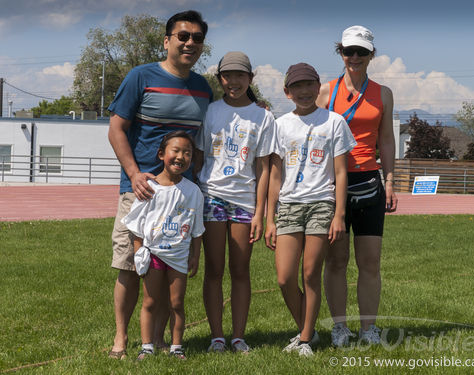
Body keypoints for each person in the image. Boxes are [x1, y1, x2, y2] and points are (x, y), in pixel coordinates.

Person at [107, 10, 212, 359]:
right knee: (129, 266)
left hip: (180, 196)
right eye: (183, 36)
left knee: (168, 270)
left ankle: (164, 341)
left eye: (197, 38)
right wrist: (135, 174)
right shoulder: (141, 77)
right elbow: (116, 128)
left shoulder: (202, 87)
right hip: (140, 190)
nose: (190, 43)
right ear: (167, 40)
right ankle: (122, 339)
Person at [265, 63, 356, 357]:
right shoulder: (280, 125)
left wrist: (339, 214)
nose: (304, 91)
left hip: (321, 203)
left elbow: (341, 172)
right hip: (289, 205)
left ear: (318, 87)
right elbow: (275, 175)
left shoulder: (334, 121)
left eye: (309, 85)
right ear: (287, 92)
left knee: (310, 273)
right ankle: (310, 328)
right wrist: (270, 218)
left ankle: (304, 340)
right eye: (297, 86)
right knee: (284, 277)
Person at [316, 25, 398, 347]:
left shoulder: (384, 94)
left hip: (369, 182)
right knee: (335, 261)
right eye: (348, 51)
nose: (354, 57)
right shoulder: (326, 92)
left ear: (371, 55)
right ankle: (339, 328)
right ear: (341, 53)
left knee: (370, 262)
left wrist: (389, 180)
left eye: (361, 52)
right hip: (332, 183)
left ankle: (368, 330)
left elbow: (387, 139)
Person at [195, 51, 277, 353]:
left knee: (241, 271)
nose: (234, 82)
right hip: (212, 197)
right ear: (220, 79)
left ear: (250, 79)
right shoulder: (210, 111)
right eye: (227, 76)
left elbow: (264, 167)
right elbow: (200, 156)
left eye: (240, 75)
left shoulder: (263, 116)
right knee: (214, 270)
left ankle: (238, 336)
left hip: (245, 202)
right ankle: (217, 336)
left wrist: (261, 213)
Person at [122, 131, 204, 360]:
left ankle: (177, 347)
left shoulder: (193, 191)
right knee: (150, 301)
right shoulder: (149, 188)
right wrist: (139, 251)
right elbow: (136, 225)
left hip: (178, 257)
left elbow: (197, 229)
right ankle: (146, 346)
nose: (180, 157)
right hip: (154, 256)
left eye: (187, 153)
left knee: (176, 303)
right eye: (175, 151)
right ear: (161, 154)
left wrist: (195, 256)